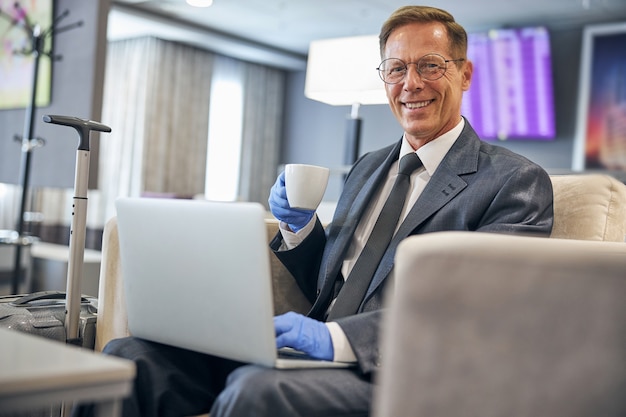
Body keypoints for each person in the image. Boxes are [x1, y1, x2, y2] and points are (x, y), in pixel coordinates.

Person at [73, 5, 553, 417]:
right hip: (309, 355)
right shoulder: (366, 169)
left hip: (404, 370)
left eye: (430, 65)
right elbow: (336, 283)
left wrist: (337, 342)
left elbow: (480, 311)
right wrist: (301, 231)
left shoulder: (513, 181)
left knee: (256, 391)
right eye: (395, 68)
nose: (411, 84)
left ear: (464, 74)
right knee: (127, 357)